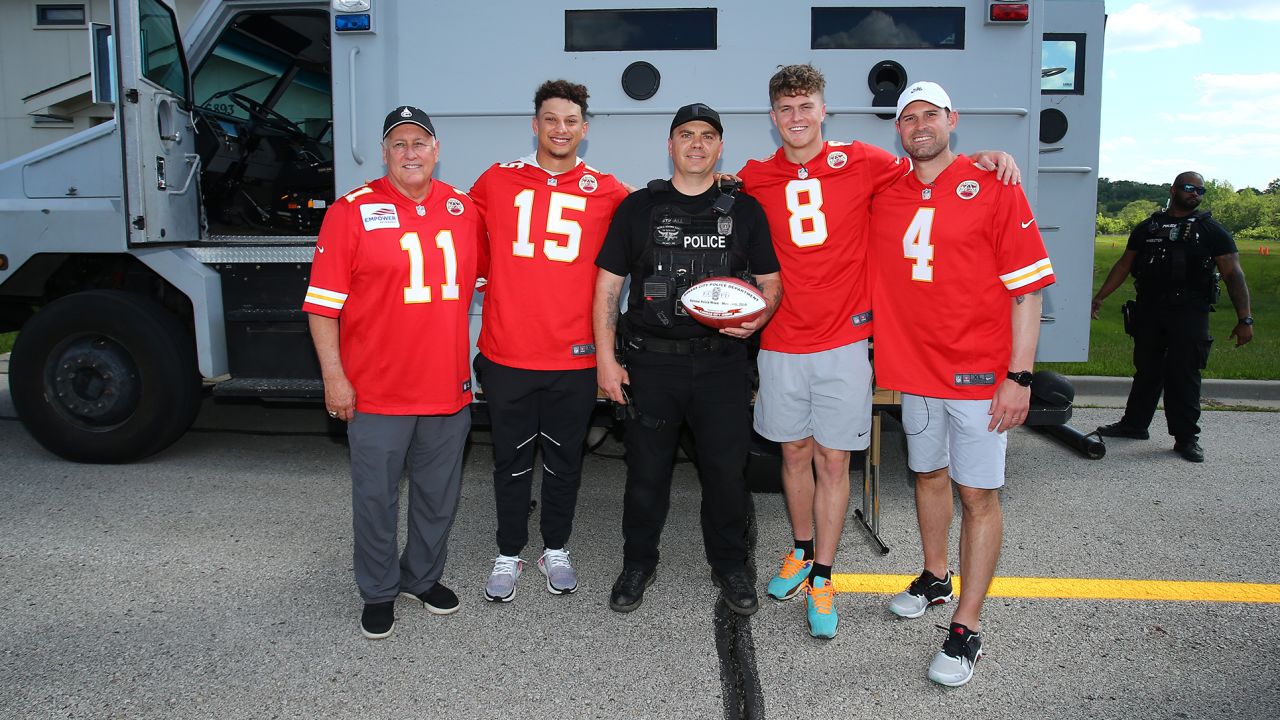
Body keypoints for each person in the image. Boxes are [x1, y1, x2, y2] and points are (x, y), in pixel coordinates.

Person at [737, 64, 1018, 639]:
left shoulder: (864, 160)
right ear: (773, 117)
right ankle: (799, 548)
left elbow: (930, 166)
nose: (797, 118)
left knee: (834, 460)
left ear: (823, 111)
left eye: (806, 106)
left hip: (844, 338)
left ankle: (823, 573)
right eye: (786, 109)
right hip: (782, 336)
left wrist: (984, 158)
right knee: (792, 453)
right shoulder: (753, 175)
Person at [869, 81, 1056, 686]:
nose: (919, 124)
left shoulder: (993, 185)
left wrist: (1019, 376)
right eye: (908, 117)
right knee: (927, 474)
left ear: (953, 119)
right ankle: (934, 576)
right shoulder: (888, 188)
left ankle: (968, 628)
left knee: (977, 495)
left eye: (930, 114)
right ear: (897, 130)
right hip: (916, 373)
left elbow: (1027, 289)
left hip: (979, 374)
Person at [593, 103, 781, 616]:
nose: (696, 144)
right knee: (646, 472)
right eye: (685, 135)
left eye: (707, 136)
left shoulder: (744, 211)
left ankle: (730, 564)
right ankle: (637, 562)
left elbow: (770, 282)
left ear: (720, 148)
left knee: (725, 472)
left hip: (721, 364)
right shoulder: (638, 208)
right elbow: (609, 285)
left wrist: (759, 318)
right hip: (652, 365)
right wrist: (607, 361)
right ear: (670, 145)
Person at [303, 106, 480, 639]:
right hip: (377, 389)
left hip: (446, 388)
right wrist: (335, 378)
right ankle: (378, 589)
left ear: (436, 149)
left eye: (419, 143)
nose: (410, 152)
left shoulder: (464, 209)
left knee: (437, 495)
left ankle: (422, 578)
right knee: (376, 497)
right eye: (398, 144)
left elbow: (494, 287)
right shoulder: (351, 211)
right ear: (384, 153)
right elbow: (321, 307)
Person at [468, 80, 629, 602]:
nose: (561, 129)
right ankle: (509, 551)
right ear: (535, 124)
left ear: (585, 129)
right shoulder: (496, 180)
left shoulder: (607, 189)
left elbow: (658, 217)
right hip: (508, 353)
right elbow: (461, 239)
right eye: (551, 119)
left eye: (571, 121)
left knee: (565, 462)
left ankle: (554, 547)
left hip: (574, 357)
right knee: (510, 463)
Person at [1090, 171, 1254, 462]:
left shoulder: (1211, 230)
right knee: (1147, 370)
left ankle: (1186, 438)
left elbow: (1233, 274)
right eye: (1190, 188)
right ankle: (1134, 425)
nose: (1196, 194)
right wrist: (1100, 297)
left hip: (1190, 312)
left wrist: (1245, 319)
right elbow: (1124, 265)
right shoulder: (1148, 227)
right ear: (1174, 189)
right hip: (1150, 310)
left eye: (1201, 191)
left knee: (1184, 373)